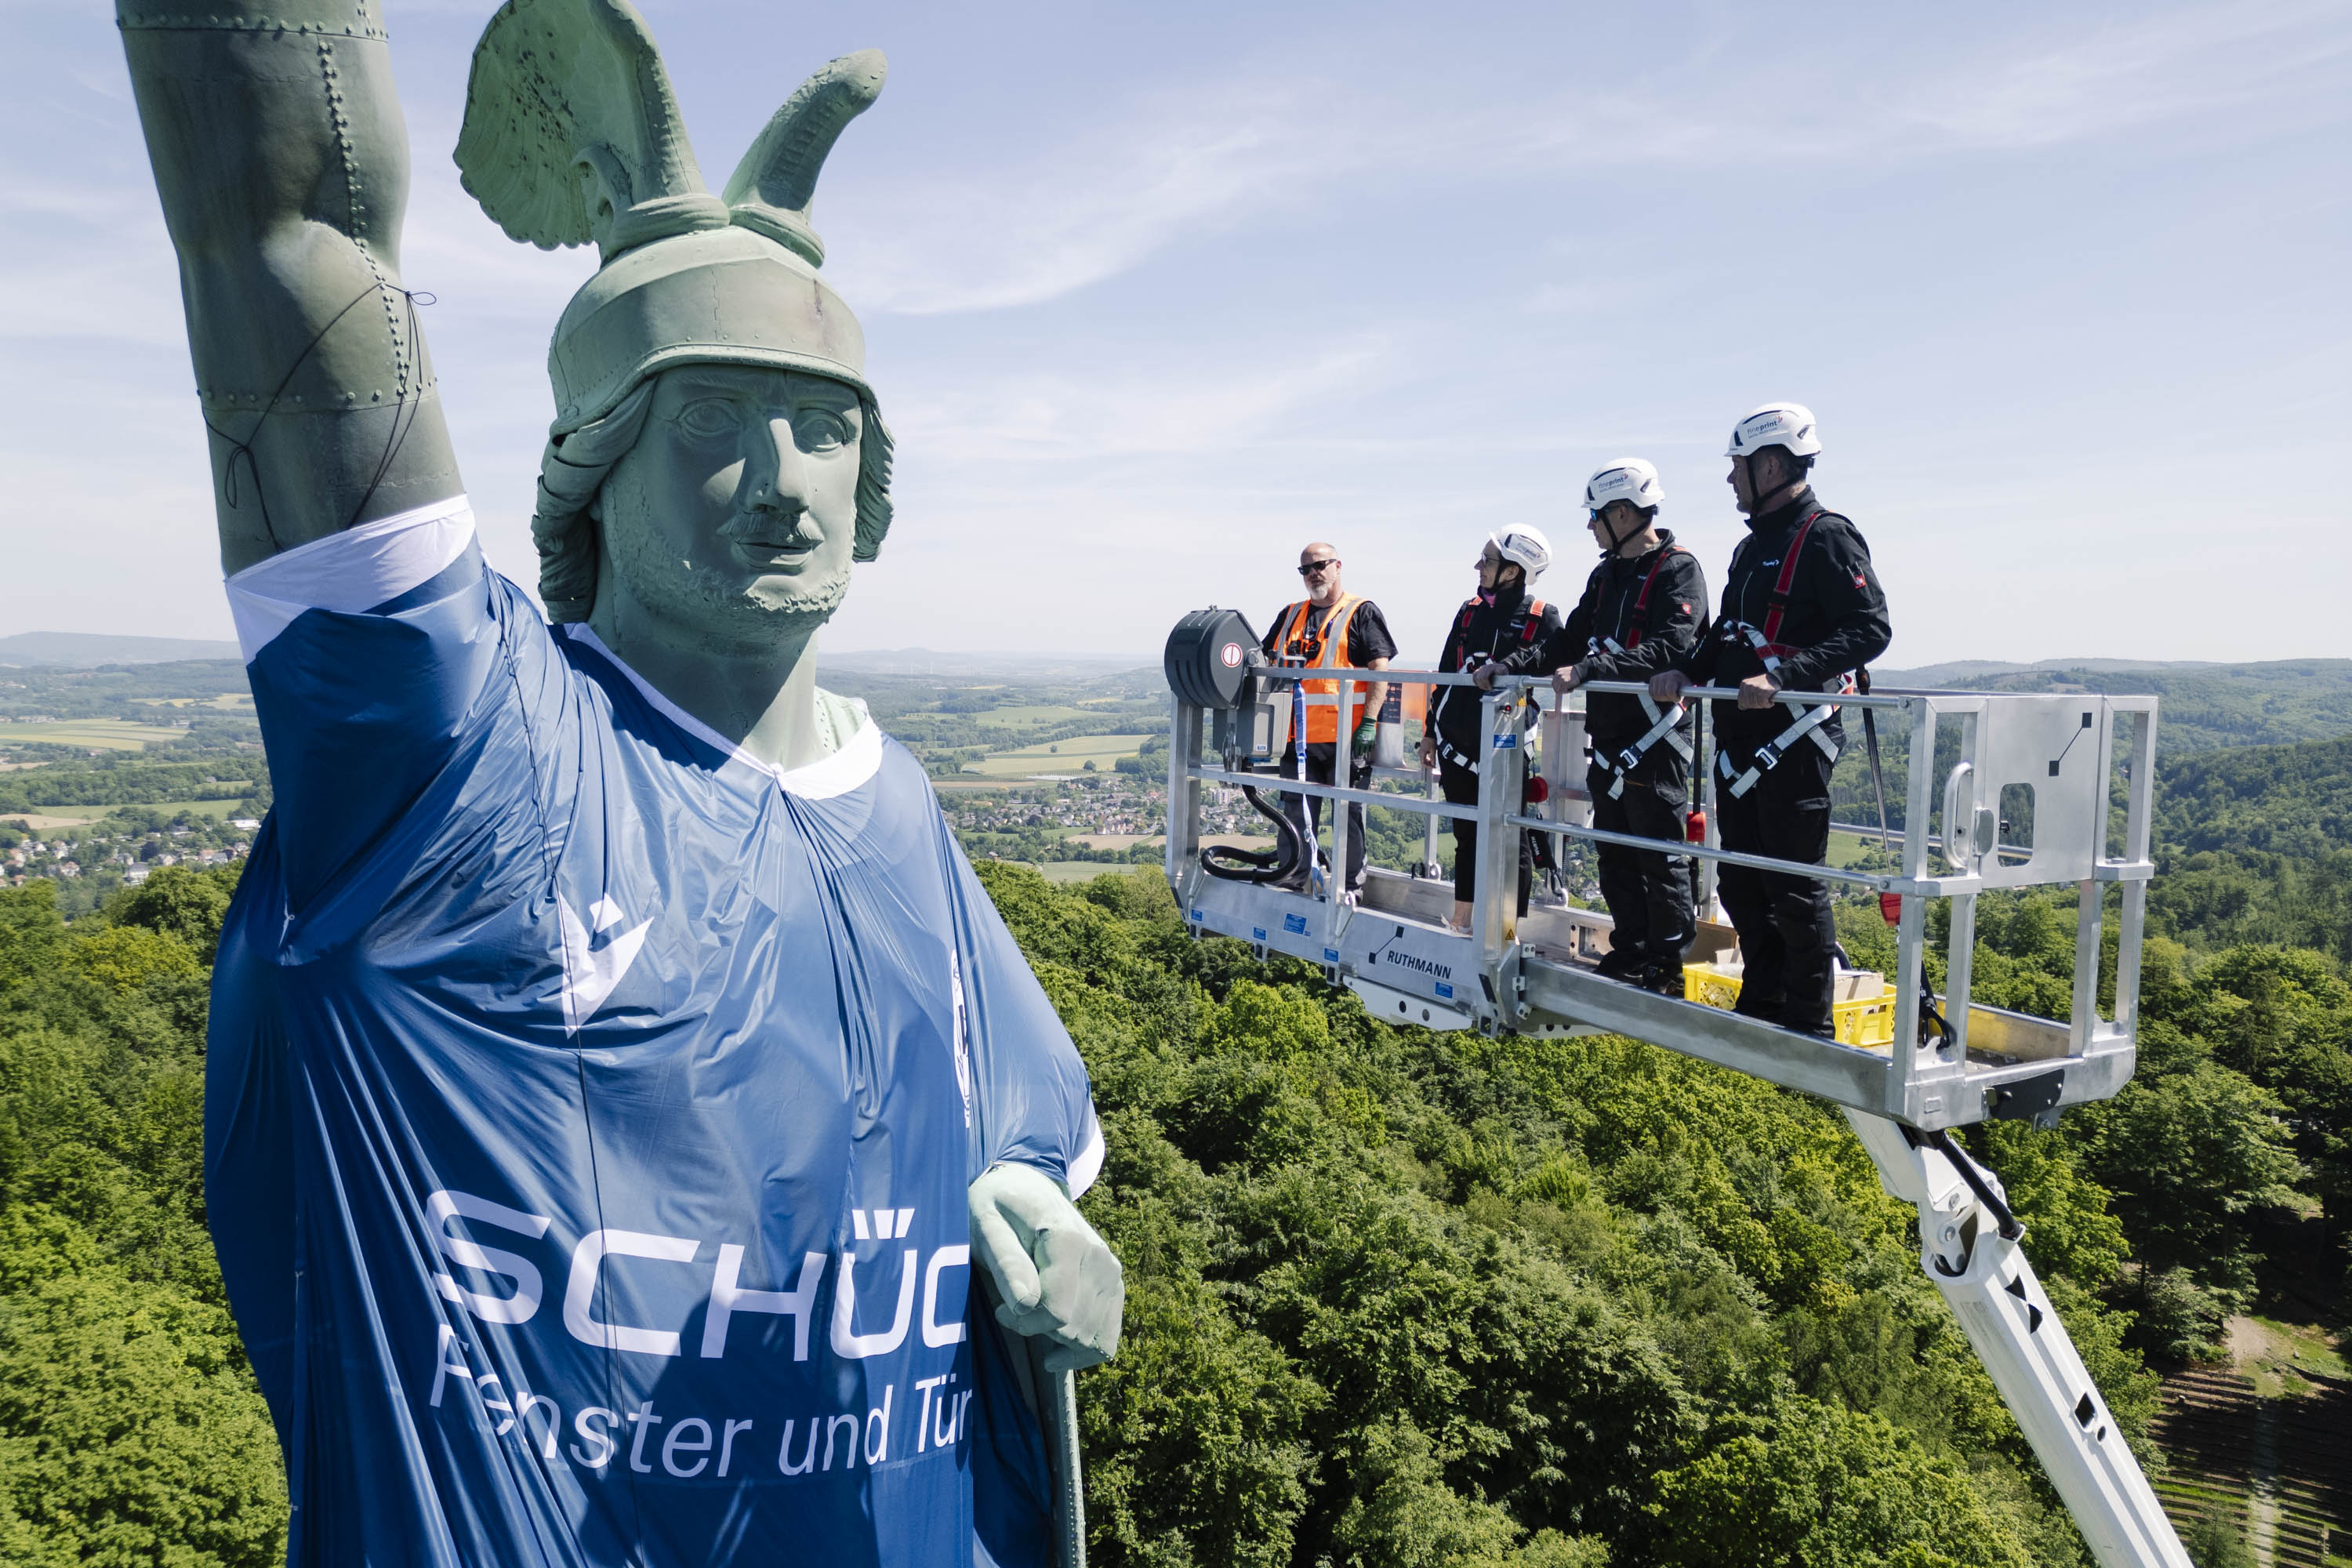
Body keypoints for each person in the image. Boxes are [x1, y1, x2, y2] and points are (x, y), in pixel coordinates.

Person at [119, 9, 1119, 1566]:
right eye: (712, 423)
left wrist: (1050, 1230)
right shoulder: (460, 756)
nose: (785, 484)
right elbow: (287, 238)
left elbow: (1015, 1130)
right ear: (597, 460)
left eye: (823, 429)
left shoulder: (898, 804)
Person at [1652, 404, 1889, 1037]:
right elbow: (1726, 634)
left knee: (1793, 886)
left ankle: (1809, 1021)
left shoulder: (1827, 537)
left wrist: (1784, 677)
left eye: (1739, 467)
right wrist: (1685, 671)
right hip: (1741, 742)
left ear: (1773, 466)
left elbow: (1869, 629)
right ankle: (1763, 1001)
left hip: (1793, 742)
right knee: (1741, 880)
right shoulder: (1752, 546)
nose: (1731, 479)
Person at [1517, 461, 1707, 989]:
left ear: (1622, 513)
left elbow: (1674, 646)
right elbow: (1568, 641)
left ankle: (1667, 964)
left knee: (1659, 854)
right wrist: (1511, 667)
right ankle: (1632, 949)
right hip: (1610, 736)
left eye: (1596, 515)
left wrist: (1591, 669)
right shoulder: (1605, 578)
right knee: (1616, 851)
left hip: (1656, 738)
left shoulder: (1678, 570)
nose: (1590, 526)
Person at [1425, 528, 1561, 929]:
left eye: (1487, 560)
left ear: (1513, 570)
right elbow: (1447, 674)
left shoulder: (1542, 618)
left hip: (1507, 746)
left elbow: (1556, 660)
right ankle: (1463, 918)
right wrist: (1430, 732)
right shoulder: (1469, 612)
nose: (1478, 566)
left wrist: (1512, 665)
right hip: (1456, 742)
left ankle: (1507, 928)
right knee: (1466, 834)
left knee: (1512, 838)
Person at [1262, 543, 1395, 895]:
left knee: (1347, 813)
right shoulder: (1290, 615)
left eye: (1320, 566)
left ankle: (1349, 886)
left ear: (1338, 566)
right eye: (1305, 569)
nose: (1313, 574)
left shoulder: (1361, 612)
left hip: (1346, 739)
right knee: (1295, 811)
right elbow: (1263, 661)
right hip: (1298, 739)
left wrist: (1369, 722)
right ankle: (1293, 880)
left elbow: (1380, 670)